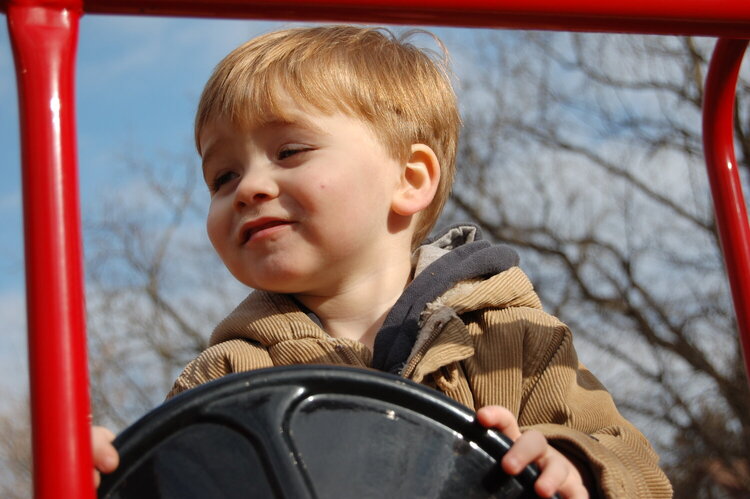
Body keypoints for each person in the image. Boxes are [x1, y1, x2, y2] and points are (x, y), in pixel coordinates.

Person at [92, 25, 672, 498]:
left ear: (410, 178)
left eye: (289, 151)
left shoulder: (512, 343)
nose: (249, 188)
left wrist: (574, 463)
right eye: (223, 176)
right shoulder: (225, 378)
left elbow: (630, 461)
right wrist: (108, 479)